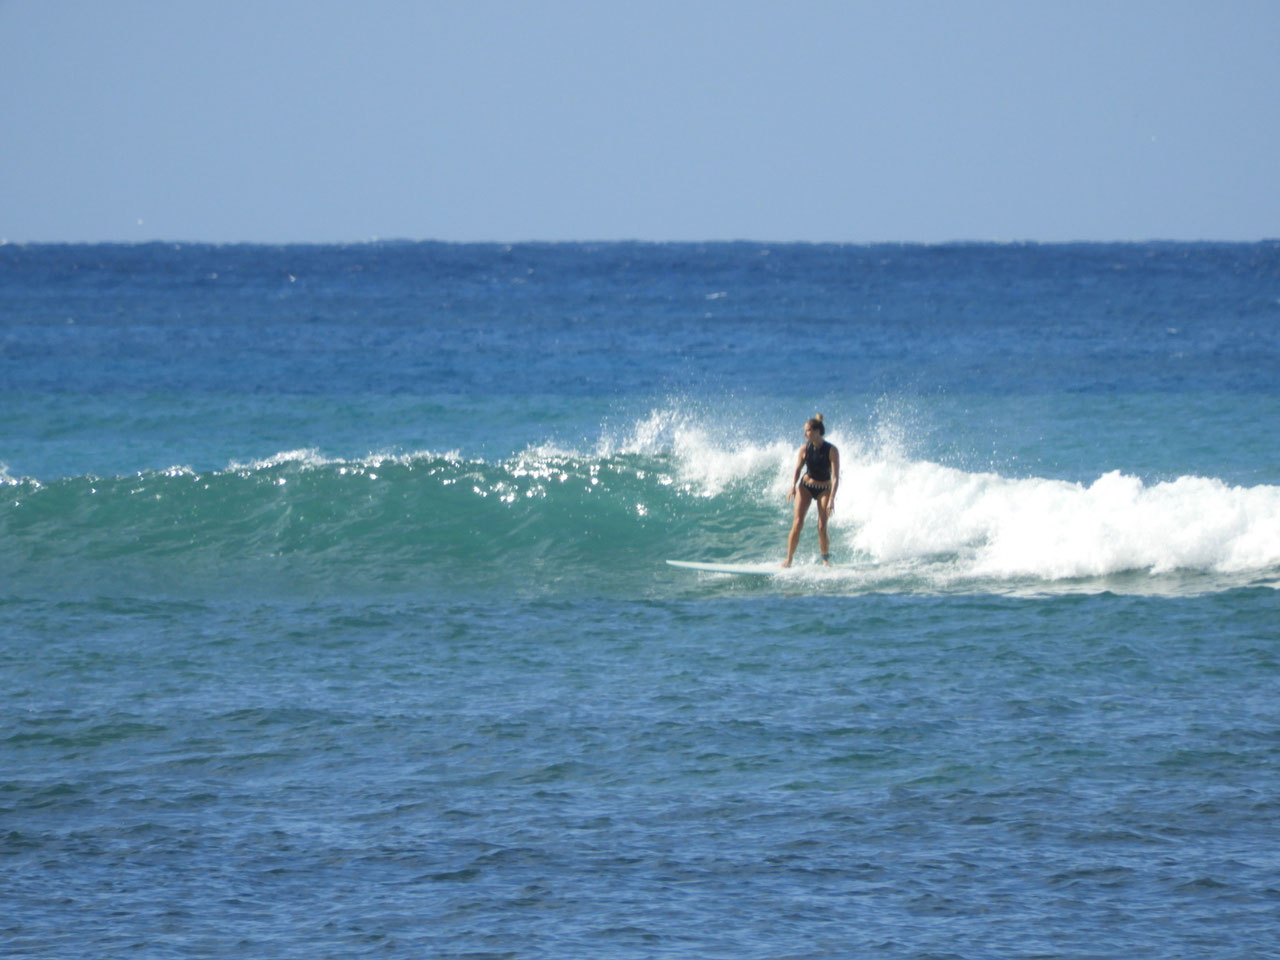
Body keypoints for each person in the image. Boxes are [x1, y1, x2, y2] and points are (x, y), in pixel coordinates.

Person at [783, 414, 839, 567]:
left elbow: (835, 477)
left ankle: (825, 559)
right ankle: (789, 559)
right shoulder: (804, 449)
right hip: (806, 487)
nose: (805, 434)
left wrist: (832, 499)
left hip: (824, 489)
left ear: (816, 432)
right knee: (798, 523)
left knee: (822, 526)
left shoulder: (832, 450)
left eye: (807, 430)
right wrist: (792, 487)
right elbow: (797, 470)